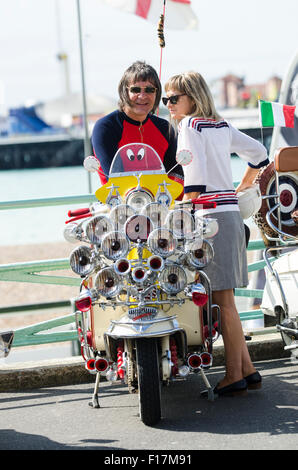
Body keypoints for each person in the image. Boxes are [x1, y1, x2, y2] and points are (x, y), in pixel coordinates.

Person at [164, 71, 269, 397]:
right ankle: (248, 370)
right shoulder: (221, 126)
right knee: (228, 302)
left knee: (222, 303)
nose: (168, 105)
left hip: (210, 219)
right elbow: (260, 155)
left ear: (191, 98)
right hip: (232, 216)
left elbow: (193, 185)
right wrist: (242, 186)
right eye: (166, 99)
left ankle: (233, 375)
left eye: (173, 99)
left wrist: (173, 209)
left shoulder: (189, 127)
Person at [91, 61, 183, 189]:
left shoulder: (164, 128)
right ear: (125, 92)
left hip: (161, 204)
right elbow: (111, 178)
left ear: (157, 94)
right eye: (135, 89)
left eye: (150, 90)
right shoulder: (106, 127)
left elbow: (176, 173)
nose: (142, 96)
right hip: (119, 205)